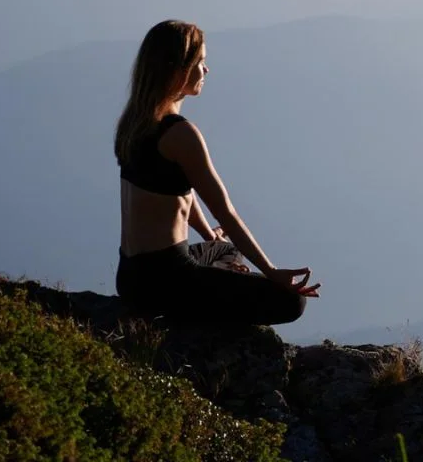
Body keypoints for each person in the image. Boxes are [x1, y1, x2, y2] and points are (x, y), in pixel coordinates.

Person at [113, 19, 319, 325]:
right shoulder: (181, 135)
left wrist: (210, 237)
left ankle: (217, 270)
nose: (206, 71)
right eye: (200, 63)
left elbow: (180, 189)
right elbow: (225, 212)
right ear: (178, 69)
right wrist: (271, 272)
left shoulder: (135, 124)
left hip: (130, 275)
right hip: (166, 279)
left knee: (226, 251)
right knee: (293, 301)